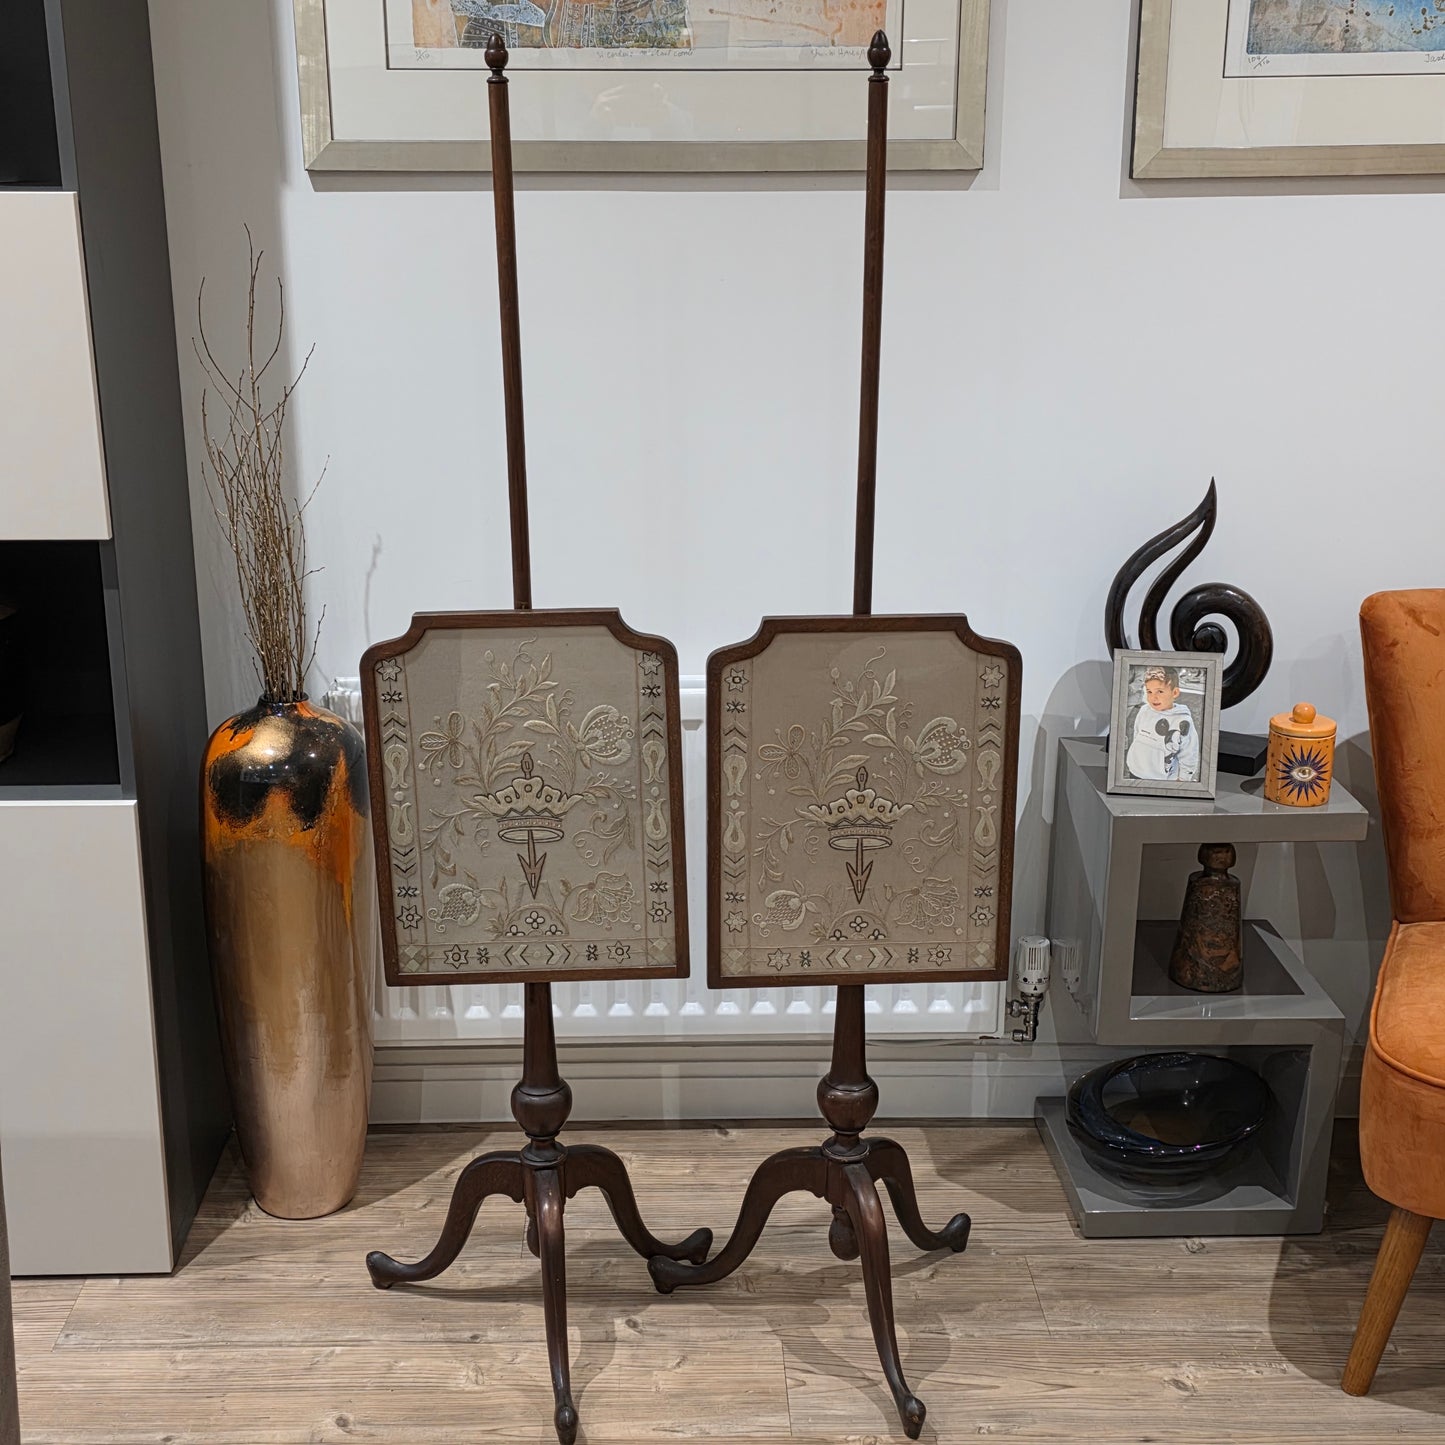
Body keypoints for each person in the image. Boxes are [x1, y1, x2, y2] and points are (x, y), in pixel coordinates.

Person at [1126, 664, 1200, 782]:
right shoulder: (1144, 710)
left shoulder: (1183, 721)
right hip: (1136, 771)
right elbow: (1137, 735)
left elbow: (1189, 753)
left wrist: (1183, 779)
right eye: (1149, 691)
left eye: (1159, 691)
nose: (1153, 697)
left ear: (1174, 693)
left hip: (1162, 778)